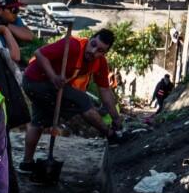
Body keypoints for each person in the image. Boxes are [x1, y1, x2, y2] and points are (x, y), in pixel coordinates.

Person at [19, 28, 125, 172]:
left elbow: (105, 90)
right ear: (89, 39)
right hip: (35, 81)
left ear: (104, 53)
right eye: (93, 44)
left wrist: (116, 118)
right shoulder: (73, 45)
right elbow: (39, 53)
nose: (93, 52)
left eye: (100, 50)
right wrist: (54, 77)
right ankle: (110, 135)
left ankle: (26, 163)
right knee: (82, 100)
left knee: (38, 121)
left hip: (47, 86)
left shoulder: (100, 63)